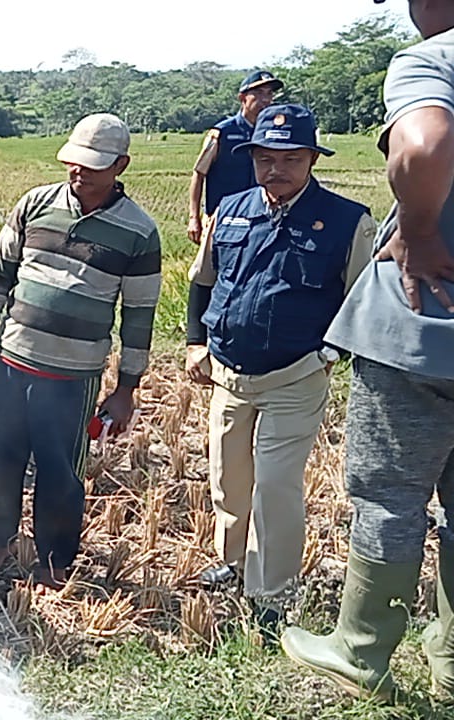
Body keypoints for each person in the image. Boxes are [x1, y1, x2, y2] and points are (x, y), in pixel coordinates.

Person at [282, 0, 454, 700]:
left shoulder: (434, 58)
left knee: (389, 494)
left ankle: (360, 651)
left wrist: (418, 230)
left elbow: (423, 147)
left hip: (424, 328)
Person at [185, 104, 376, 638]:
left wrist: (331, 355)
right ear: (251, 159)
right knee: (229, 479)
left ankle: (271, 595)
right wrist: (195, 342)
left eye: (291, 158)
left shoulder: (347, 221)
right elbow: (203, 281)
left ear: (313, 158)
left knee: (274, 486)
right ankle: (232, 563)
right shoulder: (231, 210)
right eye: (265, 158)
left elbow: (362, 300)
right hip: (227, 371)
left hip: (295, 375)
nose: (277, 169)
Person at [0, 113, 162, 588]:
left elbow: (139, 317)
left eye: (93, 165)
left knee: (60, 472)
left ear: (121, 165)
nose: (80, 172)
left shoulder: (138, 232)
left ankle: (54, 561)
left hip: (73, 375)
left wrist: (126, 388)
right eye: (74, 162)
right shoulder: (35, 205)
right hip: (12, 360)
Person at [187, 70, 283, 244]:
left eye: (269, 94)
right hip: (222, 219)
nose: (265, 100)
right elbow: (199, 174)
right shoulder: (221, 133)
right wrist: (194, 217)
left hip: (261, 220)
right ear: (242, 98)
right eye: (259, 93)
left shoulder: (272, 134)